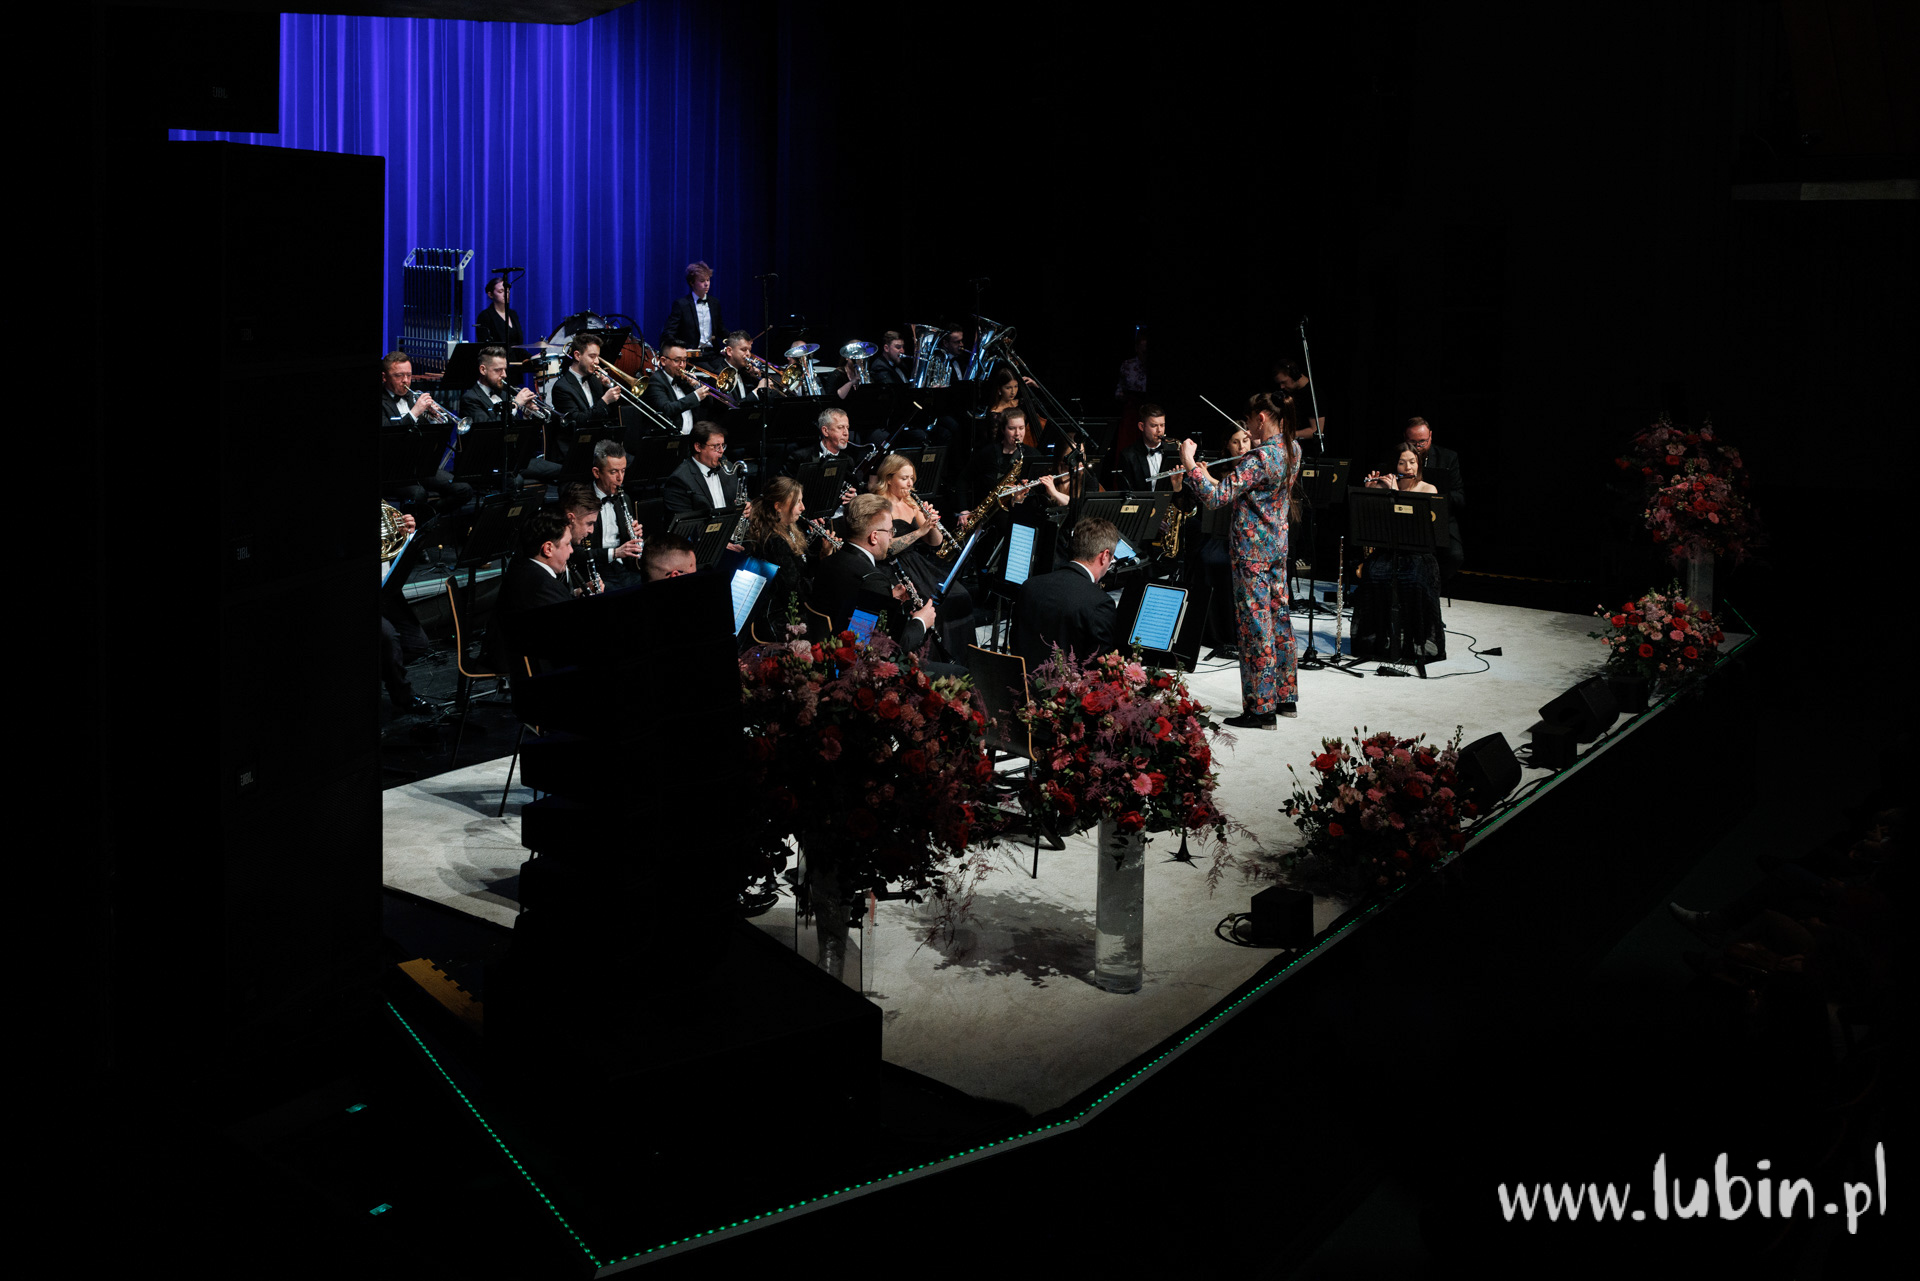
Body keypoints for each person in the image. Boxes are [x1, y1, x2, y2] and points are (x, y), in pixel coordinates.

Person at [1179, 391, 1300, 728]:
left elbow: (1216, 498)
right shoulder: (1292, 448)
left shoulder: (1259, 457)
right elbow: (1246, 491)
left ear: (1261, 417)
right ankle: (1284, 697)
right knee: (1279, 619)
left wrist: (1189, 464)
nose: (1246, 429)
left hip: (1252, 553)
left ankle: (1261, 709)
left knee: (1255, 625)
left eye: (1248, 421)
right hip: (1277, 547)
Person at [870, 453, 975, 659]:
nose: (910, 484)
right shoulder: (878, 505)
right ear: (889, 478)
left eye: (912, 478)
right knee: (933, 606)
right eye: (904, 478)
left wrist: (931, 523)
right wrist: (919, 531)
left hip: (915, 563)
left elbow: (935, 542)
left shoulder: (911, 502)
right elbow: (885, 548)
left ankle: (959, 659)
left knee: (960, 596)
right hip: (891, 567)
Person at [1350, 445, 1447, 663]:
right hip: (1387, 552)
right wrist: (1371, 491)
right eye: (1402, 463)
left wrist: (1395, 494)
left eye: (1412, 462)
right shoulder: (1384, 486)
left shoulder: (1428, 489)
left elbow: (1419, 530)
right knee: (1373, 575)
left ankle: (1415, 639)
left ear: (1419, 464)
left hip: (1417, 554)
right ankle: (1380, 637)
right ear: (1395, 465)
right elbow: (1370, 523)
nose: (1408, 468)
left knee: (1413, 580)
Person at [813, 494, 940, 652]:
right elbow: (887, 648)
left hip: (822, 649)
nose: (891, 537)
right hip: (849, 660)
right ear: (874, 537)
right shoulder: (873, 580)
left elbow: (848, 607)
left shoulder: (828, 561)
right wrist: (920, 622)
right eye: (890, 531)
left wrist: (885, 599)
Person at [1010, 517, 1121, 674]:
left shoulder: (1030, 585)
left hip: (1019, 683)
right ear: (1104, 556)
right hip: (1064, 687)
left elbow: (1015, 641)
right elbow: (1099, 667)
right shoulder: (1100, 603)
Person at [379, 349, 475, 516]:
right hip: (392, 471)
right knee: (418, 494)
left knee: (463, 489)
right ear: (384, 377)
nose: (405, 381)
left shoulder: (413, 397)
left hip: (421, 467)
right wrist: (415, 413)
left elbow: (431, 437)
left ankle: (430, 516)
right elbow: (388, 436)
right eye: (399, 376)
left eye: (409, 375)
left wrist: (433, 419)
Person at [483, 509, 575, 674]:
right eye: (567, 544)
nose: (571, 551)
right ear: (548, 549)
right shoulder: (543, 585)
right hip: (522, 660)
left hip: (510, 648)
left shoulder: (522, 565)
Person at [1199, 426, 1253, 658]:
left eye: (1245, 441)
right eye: (1235, 442)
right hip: (1221, 537)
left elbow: (1232, 494)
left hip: (1247, 540)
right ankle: (1214, 632)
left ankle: (1238, 634)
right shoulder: (1220, 469)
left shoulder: (1254, 468)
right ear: (1227, 445)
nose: (1241, 447)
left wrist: (1206, 478)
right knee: (1207, 558)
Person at [958, 410, 1067, 514]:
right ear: (1003, 429)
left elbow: (1040, 492)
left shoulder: (1033, 454)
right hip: (989, 513)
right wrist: (963, 510)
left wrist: (1025, 490)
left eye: (1021, 428)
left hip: (1021, 513)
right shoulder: (988, 453)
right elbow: (963, 479)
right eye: (1012, 428)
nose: (1017, 433)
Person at [745, 475, 813, 625]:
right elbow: (793, 591)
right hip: (783, 617)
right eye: (797, 502)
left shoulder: (789, 528)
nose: (803, 507)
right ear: (778, 506)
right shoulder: (774, 542)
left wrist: (823, 554)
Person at [1402, 417, 1464, 578]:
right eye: (1413, 443)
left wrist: (1438, 495)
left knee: (1455, 555)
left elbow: (1459, 497)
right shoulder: (1399, 457)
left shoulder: (1448, 458)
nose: (1418, 447)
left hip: (1439, 519)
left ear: (1430, 435)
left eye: (1422, 442)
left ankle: (1434, 587)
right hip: (1406, 519)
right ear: (1405, 438)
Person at [586, 440, 646, 589]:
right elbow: (577, 553)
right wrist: (614, 553)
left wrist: (634, 537)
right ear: (597, 472)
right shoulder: (581, 500)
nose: (620, 478)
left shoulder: (624, 499)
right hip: (595, 570)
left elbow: (630, 546)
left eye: (623, 471)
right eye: (613, 472)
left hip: (622, 567)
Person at [663, 422, 743, 522]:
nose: (722, 451)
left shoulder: (728, 468)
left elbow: (740, 497)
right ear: (698, 447)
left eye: (723, 445)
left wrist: (747, 507)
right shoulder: (679, 480)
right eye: (716, 446)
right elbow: (685, 524)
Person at [659, 261, 723, 369]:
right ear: (692, 283)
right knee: (714, 375)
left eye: (708, 280)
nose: (706, 284)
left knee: (730, 370)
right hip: (693, 357)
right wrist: (681, 349)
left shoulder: (714, 303)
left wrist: (736, 341)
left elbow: (721, 330)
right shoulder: (681, 304)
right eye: (702, 281)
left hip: (713, 355)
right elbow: (668, 333)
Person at [1112, 403, 1185, 494]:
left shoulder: (1175, 448)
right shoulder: (1128, 455)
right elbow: (1126, 492)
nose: (1159, 430)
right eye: (1154, 426)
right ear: (1141, 426)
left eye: (1162, 425)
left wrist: (1177, 488)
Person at [643, 342, 712, 435]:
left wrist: (696, 385)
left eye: (684, 360)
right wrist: (695, 396)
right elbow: (667, 409)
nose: (682, 365)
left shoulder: (683, 379)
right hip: (669, 439)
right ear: (663, 361)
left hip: (690, 438)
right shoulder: (655, 381)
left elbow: (708, 403)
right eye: (677, 360)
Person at [460, 346, 538, 422]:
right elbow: (489, 428)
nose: (504, 375)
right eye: (498, 370)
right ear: (483, 370)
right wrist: (515, 404)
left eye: (504, 370)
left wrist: (526, 415)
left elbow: (514, 428)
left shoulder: (505, 395)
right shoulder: (470, 399)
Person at [557, 483, 604, 596]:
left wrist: (578, 592)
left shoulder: (568, 545)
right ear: (570, 518)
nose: (591, 530)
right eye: (589, 523)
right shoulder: (555, 551)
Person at [719, 331, 781, 403]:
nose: (748, 354)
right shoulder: (720, 375)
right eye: (744, 350)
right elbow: (734, 406)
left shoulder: (746, 372)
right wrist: (757, 391)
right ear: (729, 351)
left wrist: (757, 378)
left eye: (749, 350)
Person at [1273, 359, 1322, 440]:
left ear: (1294, 376)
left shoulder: (1313, 394)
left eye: (1283, 382)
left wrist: (1285, 435)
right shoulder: (1290, 392)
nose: (1281, 387)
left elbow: (1316, 430)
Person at [474, 276, 524, 348]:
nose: (505, 295)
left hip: (516, 355)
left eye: (507, 291)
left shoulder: (513, 314)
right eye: (501, 291)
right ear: (490, 295)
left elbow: (518, 345)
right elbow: (485, 346)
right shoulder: (485, 316)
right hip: (497, 354)